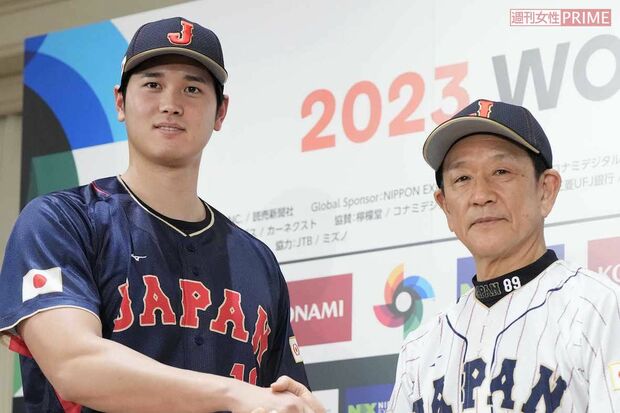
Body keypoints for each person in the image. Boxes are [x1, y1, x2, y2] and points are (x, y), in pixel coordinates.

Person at [0, 16, 323, 413]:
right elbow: (74, 364)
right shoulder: (62, 221)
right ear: (120, 102)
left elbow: (284, 398)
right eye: (153, 84)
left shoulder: (257, 261)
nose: (171, 104)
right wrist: (233, 393)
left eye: (192, 88)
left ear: (220, 112)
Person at [387, 99, 620, 412]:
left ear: (546, 190)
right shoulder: (420, 350)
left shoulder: (600, 310)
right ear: (446, 207)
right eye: (462, 178)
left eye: (501, 171)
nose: (481, 195)